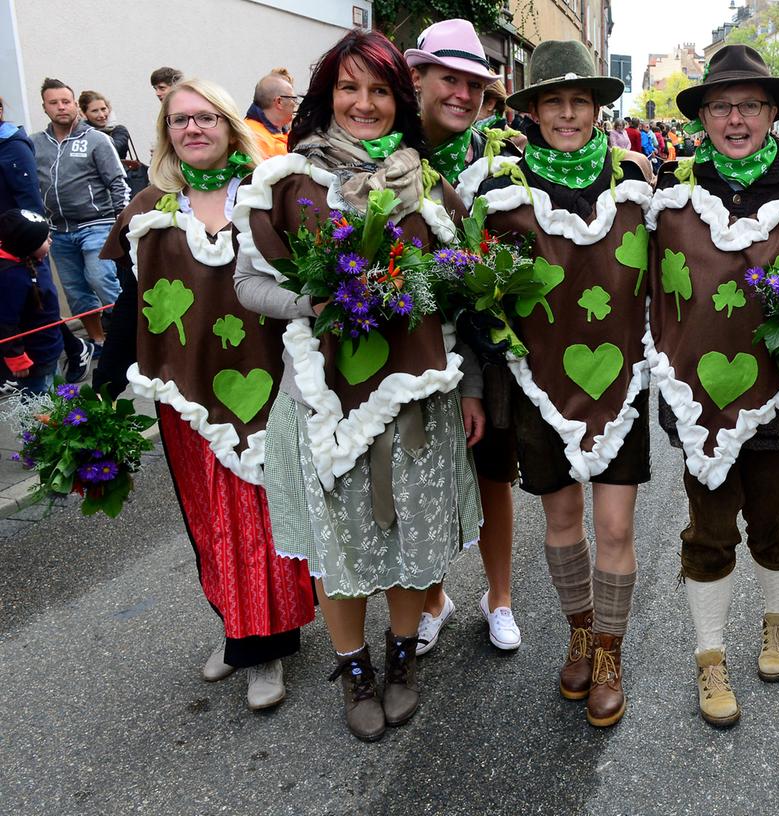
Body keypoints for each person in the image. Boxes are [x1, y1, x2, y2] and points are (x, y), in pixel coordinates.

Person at [232, 29, 484, 742]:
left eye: (378, 90)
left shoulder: (429, 185)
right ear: (326, 95)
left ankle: (402, 659)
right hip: (325, 403)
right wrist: (306, 301)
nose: (363, 103)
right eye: (349, 88)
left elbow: (460, 293)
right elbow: (247, 282)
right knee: (338, 545)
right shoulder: (287, 182)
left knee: (413, 540)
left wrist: (467, 384)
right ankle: (354, 669)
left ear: (399, 100)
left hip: (417, 398)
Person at [92, 79, 314, 711]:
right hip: (184, 391)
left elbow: (315, 278)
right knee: (209, 521)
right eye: (179, 121)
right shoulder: (149, 209)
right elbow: (130, 305)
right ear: (166, 134)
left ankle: (265, 646)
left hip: (267, 382)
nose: (193, 129)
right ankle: (236, 626)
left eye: (205, 118)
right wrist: (102, 386)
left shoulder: (272, 195)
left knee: (260, 517)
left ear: (228, 123)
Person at [456, 40, 653, 728]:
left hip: (621, 381)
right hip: (537, 384)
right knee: (562, 520)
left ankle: (608, 653)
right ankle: (577, 630)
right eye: (553, 102)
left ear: (598, 108)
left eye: (581, 101)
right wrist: (476, 381)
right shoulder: (494, 189)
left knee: (615, 523)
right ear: (533, 110)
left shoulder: (635, 177)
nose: (568, 114)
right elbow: (474, 297)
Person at [649, 44, 779, 729]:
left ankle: (777, 622)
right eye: (721, 105)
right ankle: (710, 657)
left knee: (771, 521)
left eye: (750, 105)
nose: (736, 118)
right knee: (708, 530)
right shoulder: (669, 196)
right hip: (699, 399)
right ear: (702, 116)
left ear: (770, 113)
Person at [402, 19, 522, 657]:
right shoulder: (388, 157)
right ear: (417, 79)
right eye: (449, 79)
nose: (463, 94)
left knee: (493, 474)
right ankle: (432, 597)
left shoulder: (498, 164)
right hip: (412, 344)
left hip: (488, 346)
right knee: (419, 477)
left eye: (474, 84)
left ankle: (498, 597)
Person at [0, 95, 93, 383]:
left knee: (35, 304)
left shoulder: (11, 145)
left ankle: (70, 349)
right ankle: (68, 347)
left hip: (19, 241)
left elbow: (29, 198)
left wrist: (36, 242)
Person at [32, 77, 127, 351]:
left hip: (97, 225)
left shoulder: (96, 139)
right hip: (58, 231)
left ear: (75, 105)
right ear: (45, 108)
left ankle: (130, 335)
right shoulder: (34, 143)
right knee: (75, 292)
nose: (61, 107)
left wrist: (122, 224)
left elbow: (117, 183)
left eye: (66, 101)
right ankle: (99, 340)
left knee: (101, 278)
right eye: (54, 103)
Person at [0, 208, 63, 394]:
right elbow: (5, 321)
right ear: (26, 244)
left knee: (57, 398)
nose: (50, 241)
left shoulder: (33, 260)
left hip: (50, 347)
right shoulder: (10, 277)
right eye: (45, 239)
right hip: (34, 356)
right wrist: (16, 357)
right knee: (40, 406)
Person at [245, 72, 297, 159]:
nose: (295, 104)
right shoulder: (254, 138)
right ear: (279, 102)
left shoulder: (285, 131)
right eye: (293, 99)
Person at [77, 91, 132, 162]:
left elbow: (110, 151)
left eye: (103, 109)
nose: (102, 115)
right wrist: (83, 123)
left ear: (109, 109)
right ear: (84, 114)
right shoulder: (80, 132)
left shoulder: (119, 130)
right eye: (95, 111)